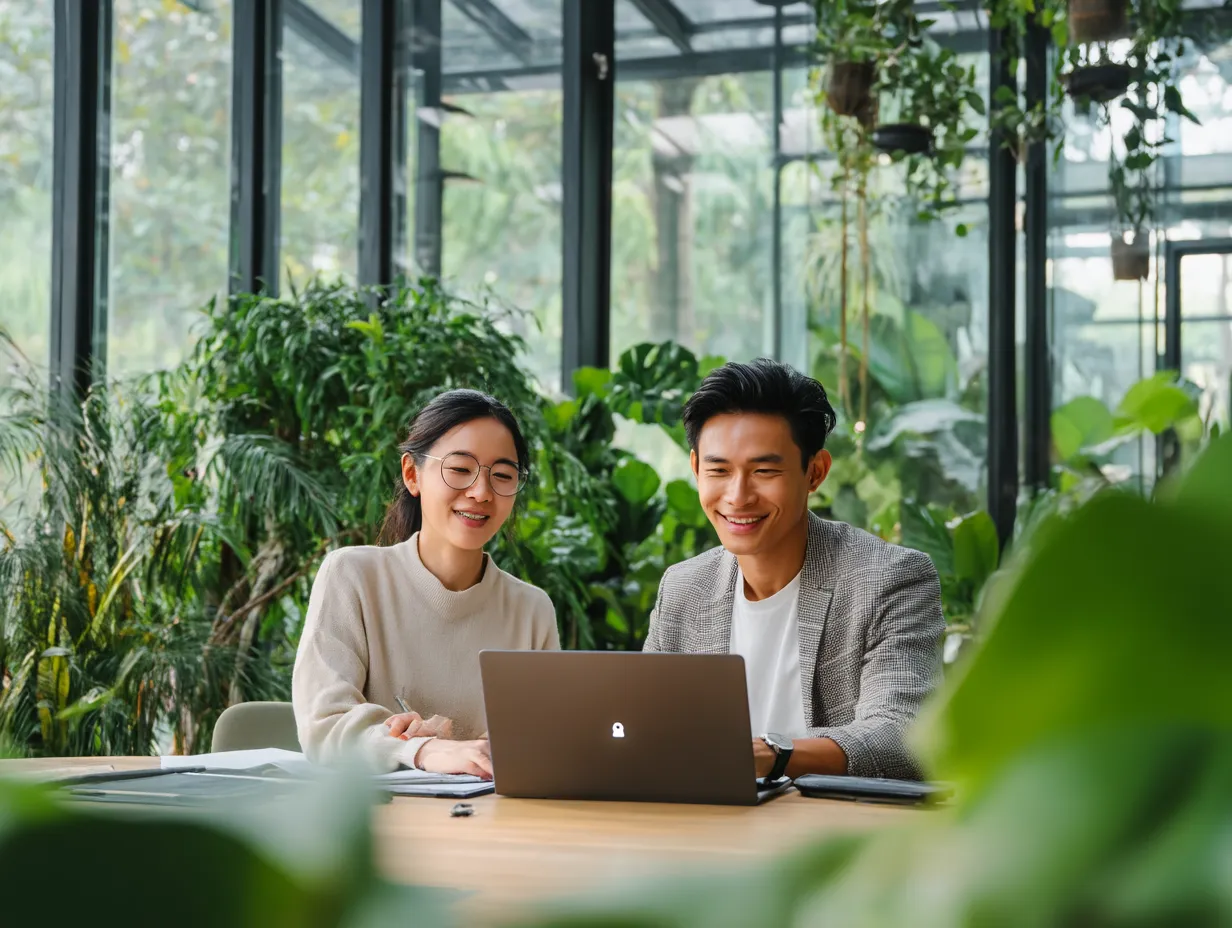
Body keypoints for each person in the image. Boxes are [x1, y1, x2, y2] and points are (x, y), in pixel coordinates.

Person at [644, 359, 944, 781]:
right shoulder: (683, 588)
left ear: (815, 472)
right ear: (696, 469)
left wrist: (772, 755)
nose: (738, 496)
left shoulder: (889, 578)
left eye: (764, 471)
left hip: (836, 834)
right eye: (718, 471)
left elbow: (902, 735)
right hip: (708, 828)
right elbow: (642, 724)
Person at [293, 389, 559, 777]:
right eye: (460, 469)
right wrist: (423, 750)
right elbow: (324, 724)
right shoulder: (352, 576)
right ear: (412, 474)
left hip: (494, 827)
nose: (482, 492)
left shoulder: (532, 610)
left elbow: (544, 739)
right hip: (376, 827)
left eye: (502, 475)